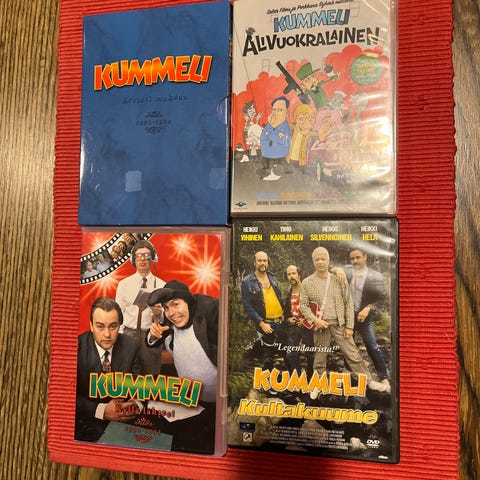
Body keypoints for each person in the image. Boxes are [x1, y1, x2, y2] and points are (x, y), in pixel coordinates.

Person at [299, 247, 388, 399]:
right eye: (317, 259)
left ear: (328, 260)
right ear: (313, 261)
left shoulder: (339, 279)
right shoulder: (307, 282)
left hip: (340, 324)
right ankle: (318, 384)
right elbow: (303, 305)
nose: (320, 262)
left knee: (353, 354)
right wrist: (315, 320)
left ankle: (369, 381)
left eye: (323, 259)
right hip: (321, 326)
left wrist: (349, 326)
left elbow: (348, 303)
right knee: (319, 357)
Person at [146, 280, 219, 454]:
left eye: (175, 304)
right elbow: (152, 340)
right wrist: (152, 335)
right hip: (192, 404)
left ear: (189, 301)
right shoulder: (170, 324)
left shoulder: (208, 313)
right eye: (166, 307)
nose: (171, 313)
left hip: (218, 406)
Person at [75, 297, 142, 442]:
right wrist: (102, 410)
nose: (107, 334)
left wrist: (135, 404)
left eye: (112, 326)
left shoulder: (131, 345)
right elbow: (68, 397)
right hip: (86, 423)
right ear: (91, 326)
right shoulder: (76, 348)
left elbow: (140, 384)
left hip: (124, 425)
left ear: (119, 326)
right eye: (100, 326)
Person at [115, 239, 165, 374]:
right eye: (139, 255)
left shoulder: (162, 285)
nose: (142, 259)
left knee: (151, 377)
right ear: (133, 259)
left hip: (150, 336)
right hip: (128, 335)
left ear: (152, 258)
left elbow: (166, 320)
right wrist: (120, 339)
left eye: (146, 255)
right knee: (126, 376)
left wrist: (159, 313)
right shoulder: (124, 284)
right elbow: (118, 314)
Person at [344, 247, 390, 391]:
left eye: (358, 257)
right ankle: (352, 375)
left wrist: (368, 308)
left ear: (365, 257)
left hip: (363, 319)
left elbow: (381, 298)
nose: (355, 261)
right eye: (352, 258)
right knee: (348, 347)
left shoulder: (375, 276)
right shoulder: (347, 272)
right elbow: (329, 268)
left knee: (372, 346)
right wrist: (337, 270)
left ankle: (383, 376)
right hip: (347, 318)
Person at [241, 251, 287, 367]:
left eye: (264, 261)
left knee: (285, 355)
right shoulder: (247, 282)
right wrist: (262, 324)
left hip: (281, 323)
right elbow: (248, 306)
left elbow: (279, 298)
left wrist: (284, 314)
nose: (262, 263)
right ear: (254, 263)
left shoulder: (273, 278)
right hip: (266, 324)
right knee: (268, 359)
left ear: (268, 263)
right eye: (259, 260)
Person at [283, 265, 314, 376]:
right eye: (289, 274)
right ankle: (297, 376)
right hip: (294, 326)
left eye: (293, 273)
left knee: (311, 353)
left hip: (307, 326)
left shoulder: (307, 289)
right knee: (291, 353)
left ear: (299, 275)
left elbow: (315, 307)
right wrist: (288, 319)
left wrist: (305, 320)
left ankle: (310, 376)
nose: (291, 276)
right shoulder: (289, 292)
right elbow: (286, 310)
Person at [259, 96, 292, 181]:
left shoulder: (285, 127)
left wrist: (270, 134)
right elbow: (262, 138)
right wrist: (275, 134)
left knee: (278, 169)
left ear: (286, 113)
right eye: (274, 110)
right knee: (262, 170)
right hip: (266, 156)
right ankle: (269, 171)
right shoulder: (268, 125)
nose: (275, 113)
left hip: (279, 156)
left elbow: (282, 141)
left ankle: (275, 173)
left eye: (279, 110)